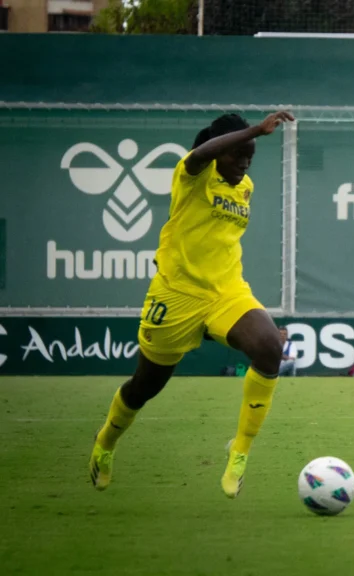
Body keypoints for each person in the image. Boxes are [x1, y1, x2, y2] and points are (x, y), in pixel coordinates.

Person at [88, 110, 296, 499]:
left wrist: (257, 327)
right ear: (221, 151)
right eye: (239, 155)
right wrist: (254, 130)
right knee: (144, 387)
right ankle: (105, 442)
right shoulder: (193, 173)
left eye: (250, 157)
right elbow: (199, 154)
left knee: (269, 348)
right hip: (177, 294)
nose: (244, 163)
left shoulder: (245, 186)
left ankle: (239, 452)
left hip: (226, 291)